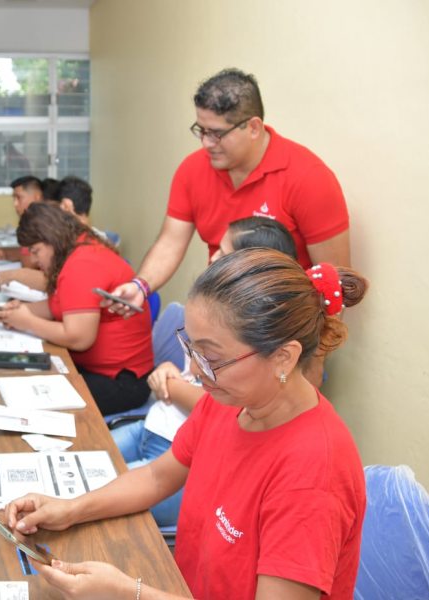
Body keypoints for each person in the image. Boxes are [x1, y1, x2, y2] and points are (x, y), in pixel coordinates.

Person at [5, 248, 368, 600]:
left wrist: (126, 593)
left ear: (283, 358)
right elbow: (157, 477)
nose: (194, 371)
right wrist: (69, 508)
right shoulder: (233, 401)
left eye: (211, 357)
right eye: (191, 349)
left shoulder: (313, 475)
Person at [108, 68, 350, 314]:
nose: (206, 143)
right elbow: (171, 242)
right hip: (222, 315)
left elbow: (333, 284)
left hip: (283, 328)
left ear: (253, 127)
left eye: (217, 134)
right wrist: (140, 286)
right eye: (201, 130)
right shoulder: (192, 169)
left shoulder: (309, 178)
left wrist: (309, 348)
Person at [111, 215, 299, 527]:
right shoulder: (216, 319)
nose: (213, 257)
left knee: (89, 486)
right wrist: (171, 372)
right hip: (156, 425)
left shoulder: (260, 360)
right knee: (81, 469)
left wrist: (171, 384)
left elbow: (219, 409)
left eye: (223, 253)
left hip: (174, 446)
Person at [0, 203, 153, 416]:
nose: (34, 260)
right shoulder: (79, 252)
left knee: (27, 400)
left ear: (51, 239)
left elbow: (79, 338)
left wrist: (28, 322)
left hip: (120, 382)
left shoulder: (82, 263)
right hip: (103, 372)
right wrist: (20, 312)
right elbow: (59, 305)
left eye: (36, 251)